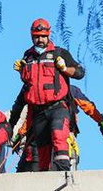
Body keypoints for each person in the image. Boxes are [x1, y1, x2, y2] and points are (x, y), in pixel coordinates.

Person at [13, 18, 85, 172]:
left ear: (49, 35)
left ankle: (64, 173)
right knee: (43, 150)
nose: (40, 40)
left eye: (43, 36)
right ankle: (45, 180)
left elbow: (80, 72)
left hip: (57, 106)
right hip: (38, 112)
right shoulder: (28, 57)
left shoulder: (60, 53)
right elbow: (27, 87)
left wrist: (65, 68)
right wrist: (22, 72)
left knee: (59, 136)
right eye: (37, 36)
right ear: (32, 36)